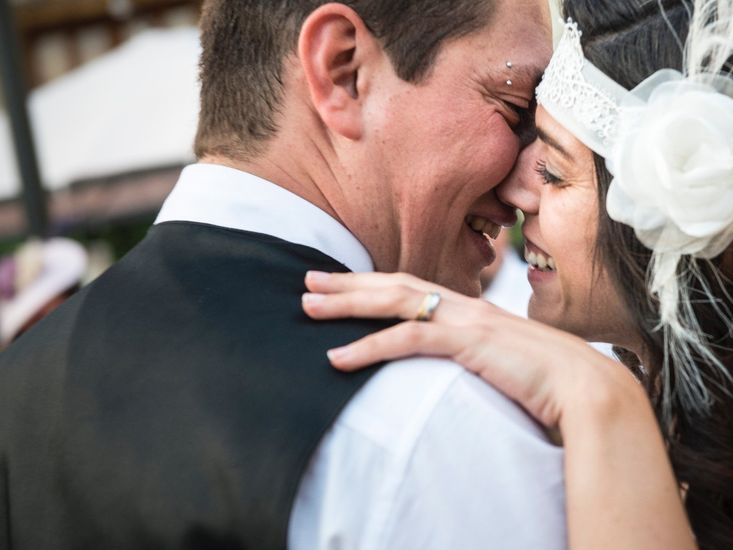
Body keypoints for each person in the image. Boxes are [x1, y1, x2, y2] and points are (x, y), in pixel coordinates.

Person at [301, 0, 733, 548]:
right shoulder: (544, 402)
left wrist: (596, 400)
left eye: (552, 171)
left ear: (710, 248)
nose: (516, 191)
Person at [0, 1, 564, 549]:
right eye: (515, 109)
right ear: (343, 70)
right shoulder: (429, 425)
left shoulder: (18, 383)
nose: (530, 184)